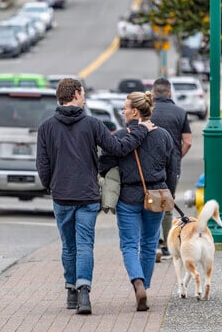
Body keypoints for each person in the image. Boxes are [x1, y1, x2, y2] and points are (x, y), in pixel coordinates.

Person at [36, 78, 155, 315]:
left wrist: (51, 186)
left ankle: (70, 289)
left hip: (61, 195)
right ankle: (83, 293)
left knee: (68, 246)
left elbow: (43, 164)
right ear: (77, 94)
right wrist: (141, 129)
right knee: (85, 245)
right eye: (83, 93)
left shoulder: (46, 127)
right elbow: (118, 148)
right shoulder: (92, 124)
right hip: (88, 195)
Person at [99, 91, 177, 312]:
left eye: (124, 108)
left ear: (134, 111)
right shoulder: (164, 136)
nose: (122, 112)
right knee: (150, 243)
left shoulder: (121, 136)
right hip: (157, 196)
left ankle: (137, 282)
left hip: (128, 197)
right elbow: (172, 169)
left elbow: (103, 164)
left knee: (129, 245)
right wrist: (169, 192)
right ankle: (146, 286)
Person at [150, 78, 192, 261]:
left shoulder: (148, 112)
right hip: (172, 165)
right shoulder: (180, 112)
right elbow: (188, 142)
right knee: (167, 204)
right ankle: (167, 246)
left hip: (149, 163)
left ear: (153, 94)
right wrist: (177, 158)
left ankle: (151, 244)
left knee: (150, 203)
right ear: (170, 93)